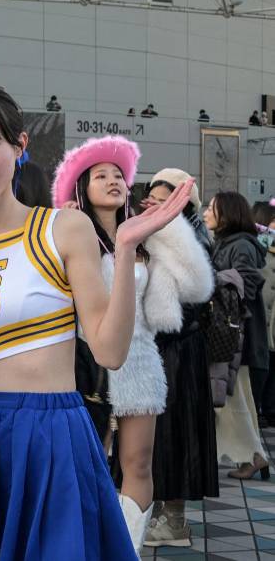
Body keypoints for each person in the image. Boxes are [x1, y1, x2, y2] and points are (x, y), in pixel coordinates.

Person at [0, 83, 191, 559]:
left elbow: (109, 351)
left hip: (49, 435)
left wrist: (128, 246)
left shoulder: (63, 229)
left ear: (19, 146)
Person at [53, 140, 213, 551]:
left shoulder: (147, 240)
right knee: (88, 467)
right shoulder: (67, 234)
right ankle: (89, 545)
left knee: (138, 464)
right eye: (100, 175)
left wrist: (169, 225)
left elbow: (197, 286)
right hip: (84, 363)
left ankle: (128, 549)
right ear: (79, 189)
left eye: (118, 175)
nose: (113, 181)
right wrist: (58, 224)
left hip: (140, 360)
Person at [139, 169, 219, 548]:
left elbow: (195, 295)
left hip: (180, 352)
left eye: (162, 198)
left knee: (177, 435)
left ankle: (174, 520)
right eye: (151, 197)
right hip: (163, 350)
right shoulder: (154, 235)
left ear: (182, 201)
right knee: (159, 438)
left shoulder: (190, 240)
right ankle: (160, 514)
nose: (153, 204)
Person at [207, 191, 271, 481]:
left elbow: (244, 286)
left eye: (212, 208)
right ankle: (253, 456)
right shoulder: (230, 243)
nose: (207, 213)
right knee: (237, 402)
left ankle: (255, 456)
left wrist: (213, 281)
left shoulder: (240, 246)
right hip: (236, 336)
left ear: (227, 214)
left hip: (238, 338)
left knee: (236, 402)